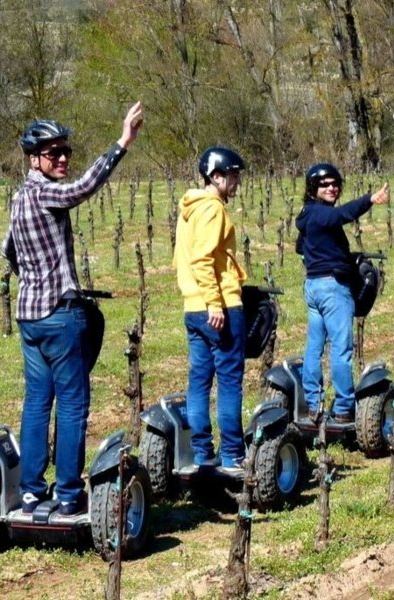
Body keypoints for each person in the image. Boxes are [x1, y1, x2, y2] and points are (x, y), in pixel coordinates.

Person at [4, 101, 144, 515]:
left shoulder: (18, 198)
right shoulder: (46, 192)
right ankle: (67, 495)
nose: (63, 158)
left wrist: (34, 277)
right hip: (60, 318)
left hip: (30, 317)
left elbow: (8, 251)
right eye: (53, 153)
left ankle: (30, 490)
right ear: (35, 159)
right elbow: (82, 188)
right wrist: (122, 143)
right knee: (71, 405)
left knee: (36, 402)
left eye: (66, 151)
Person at [296, 164, 390, 422]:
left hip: (314, 286)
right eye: (325, 184)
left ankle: (313, 405)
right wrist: (369, 199)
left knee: (314, 347)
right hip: (332, 289)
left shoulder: (306, 215)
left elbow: (300, 247)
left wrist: (337, 256)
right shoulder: (320, 214)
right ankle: (344, 408)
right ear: (313, 188)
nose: (332, 188)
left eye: (335, 183)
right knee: (341, 348)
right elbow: (343, 215)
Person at [175, 146, 248, 476]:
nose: (236, 183)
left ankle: (203, 453)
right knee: (230, 382)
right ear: (216, 176)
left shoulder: (188, 209)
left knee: (199, 381)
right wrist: (215, 302)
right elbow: (202, 259)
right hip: (218, 307)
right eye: (233, 176)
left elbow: (183, 260)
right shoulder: (212, 209)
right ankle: (232, 454)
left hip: (193, 308)